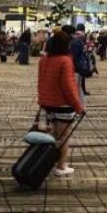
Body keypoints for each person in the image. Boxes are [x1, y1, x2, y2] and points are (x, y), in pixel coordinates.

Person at [38, 30, 86, 176]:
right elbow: (69, 87)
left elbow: (41, 81)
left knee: (52, 135)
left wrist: (42, 100)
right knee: (63, 137)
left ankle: (51, 162)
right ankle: (61, 166)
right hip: (62, 104)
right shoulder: (65, 61)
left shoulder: (44, 60)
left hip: (48, 103)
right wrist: (78, 107)